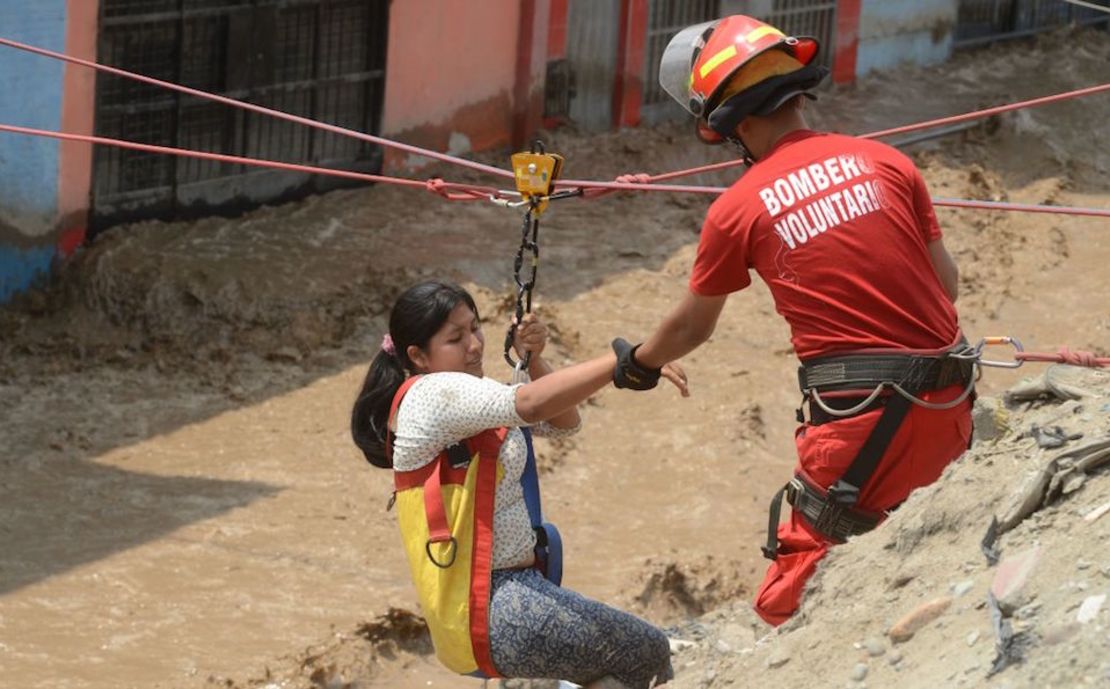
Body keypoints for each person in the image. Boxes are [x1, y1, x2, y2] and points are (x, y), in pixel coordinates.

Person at [607, 15, 975, 626]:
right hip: (951, 408)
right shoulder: (887, 162)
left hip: (860, 428)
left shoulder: (737, 209)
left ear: (732, 126)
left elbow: (693, 329)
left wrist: (637, 363)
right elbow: (947, 285)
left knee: (787, 602)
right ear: (799, 95)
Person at [351, 280, 684, 688]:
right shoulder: (431, 395)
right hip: (485, 604)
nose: (474, 345)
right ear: (418, 356)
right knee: (645, 651)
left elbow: (564, 423)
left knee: (613, 666)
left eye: (475, 327)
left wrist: (534, 359)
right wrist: (629, 360)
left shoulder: (471, 396)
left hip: (509, 592)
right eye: (455, 338)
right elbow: (529, 404)